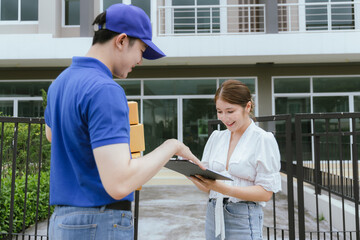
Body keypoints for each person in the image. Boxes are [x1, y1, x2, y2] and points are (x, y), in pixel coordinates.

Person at [44, 3, 204, 240]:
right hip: (99, 222)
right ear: (121, 41)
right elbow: (119, 183)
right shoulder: (105, 90)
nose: (140, 60)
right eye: (141, 50)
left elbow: (51, 135)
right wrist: (173, 146)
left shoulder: (60, 83)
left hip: (62, 223)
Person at [188, 80, 281, 240]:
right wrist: (190, 173)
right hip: (213, 214)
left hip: (243, 218)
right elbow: (208, 188)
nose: (225, 118)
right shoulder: (217, 137)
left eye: (230, 111)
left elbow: (266, 193)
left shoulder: (262, 139)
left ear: (248, 107)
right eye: (219, 111)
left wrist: (224, 189)